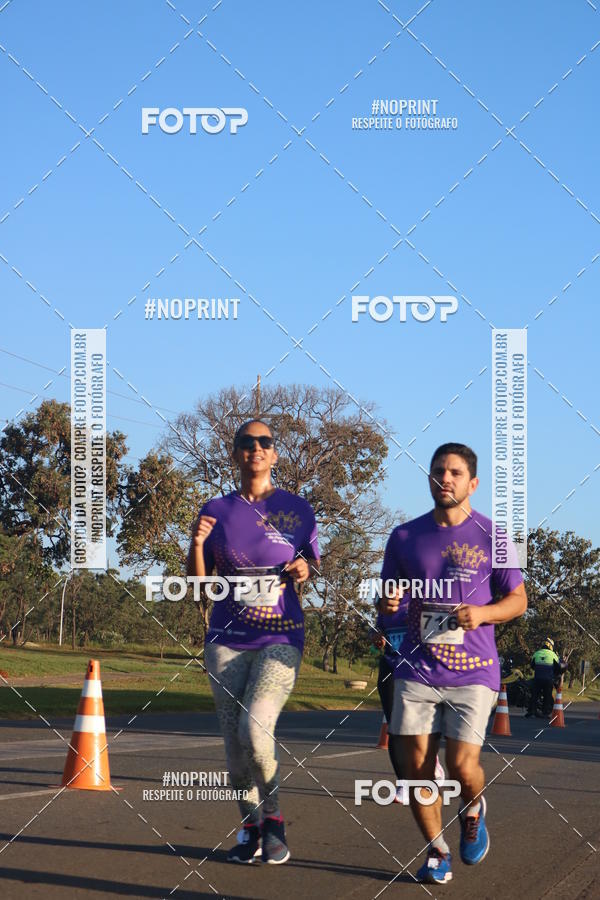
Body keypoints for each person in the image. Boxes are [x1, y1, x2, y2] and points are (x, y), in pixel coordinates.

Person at [380, 442, 527, 885]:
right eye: (438, 470)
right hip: (416, 668)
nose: (445, 478)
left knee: (463, 766)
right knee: (415, 769)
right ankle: (436, 850)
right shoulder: (404, 537)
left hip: (473, 670)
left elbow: (518, 600)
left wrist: (482, 613)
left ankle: (474, 806)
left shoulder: (495, 536)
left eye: (455, 472)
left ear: (472, 483)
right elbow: (388, 608)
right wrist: (387, 605)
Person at [187, 419, 319, 864]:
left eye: (265, 442)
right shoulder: (216, 511)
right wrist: (196, 544)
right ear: (236, 454)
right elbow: (200, 586)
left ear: (275, 454)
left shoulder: (298, 510)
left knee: (254, 729)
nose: (256, 449)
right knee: (233, 742)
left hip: (280, 635)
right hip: (226, 638)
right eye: (247, 442)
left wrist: (303, 568)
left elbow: (308, 564)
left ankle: (275, 817)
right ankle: (249, 825)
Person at [372, 593, 445, 804]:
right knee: (395, 725)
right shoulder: (386, 592)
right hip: (390, 665)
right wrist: (375, 634)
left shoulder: (429, 590)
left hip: (418, 666)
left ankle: (431, 764)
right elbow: (378, 626)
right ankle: (404, 781)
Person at [526, 638, 561, 718]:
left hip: (537, 678)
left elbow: (532, 666)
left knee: (534, 695)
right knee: (547, 695)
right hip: (548, 679)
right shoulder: (553, 655)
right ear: (551, 646)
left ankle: (531, 711)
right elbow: (558, 668)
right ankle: (545, 713)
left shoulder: (536, 653)